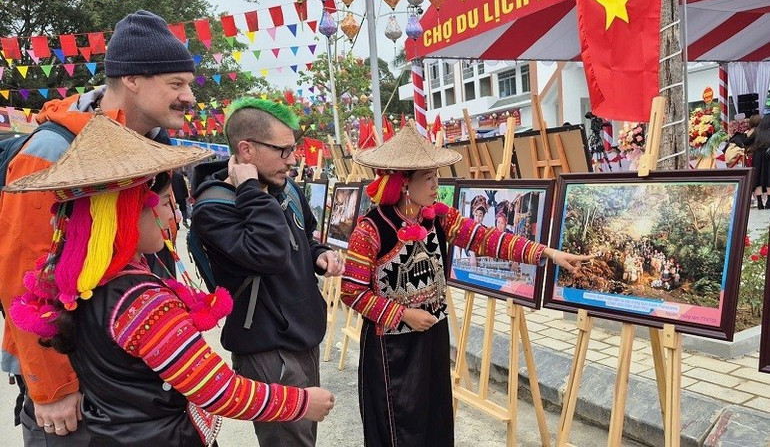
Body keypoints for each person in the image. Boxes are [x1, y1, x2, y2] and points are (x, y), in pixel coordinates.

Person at [5, 114, 335, 445]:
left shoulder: (82, 286)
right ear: (129, 212)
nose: (171, 216)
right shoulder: (140, 301)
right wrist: (302, 402)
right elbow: (216, 388)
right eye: (164, 203)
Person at [0, 9, 201, 444]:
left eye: (189, 85)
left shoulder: (151, 145)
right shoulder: (52, 149)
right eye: (176, 84)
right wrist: (51, 387)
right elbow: (24, 273)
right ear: (131, 79)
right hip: (76, 383)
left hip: (128, 370)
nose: (190, 98)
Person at [340, 125, 591, 446]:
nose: (436, 184)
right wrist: (403, 314)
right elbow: (352, 291)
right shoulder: (370, 230)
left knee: (435, 417)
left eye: (436, 176)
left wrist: (548, 253)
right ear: (404, 183)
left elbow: (487, 238)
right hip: (392, 348)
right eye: (428, 178)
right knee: (400, 427)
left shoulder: (437, 217)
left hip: (432, 335)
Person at [191, 97, 345, 446]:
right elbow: (269, 253)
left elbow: (304, 238)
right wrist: (248, 190)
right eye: (283, 151)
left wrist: (320, 254)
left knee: (303, 438)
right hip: (266, 347)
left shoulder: (284, 187)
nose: (292, 160)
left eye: (293, 149)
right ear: (246, 149)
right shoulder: (214, 206)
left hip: (302, 335)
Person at [746, 115, 770, 208]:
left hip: (757, 156)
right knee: (768, 178)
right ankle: (769, 202)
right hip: (768, 156)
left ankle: (759, 202)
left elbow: (746, 141)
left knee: (758, 179)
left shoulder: (757, 131)